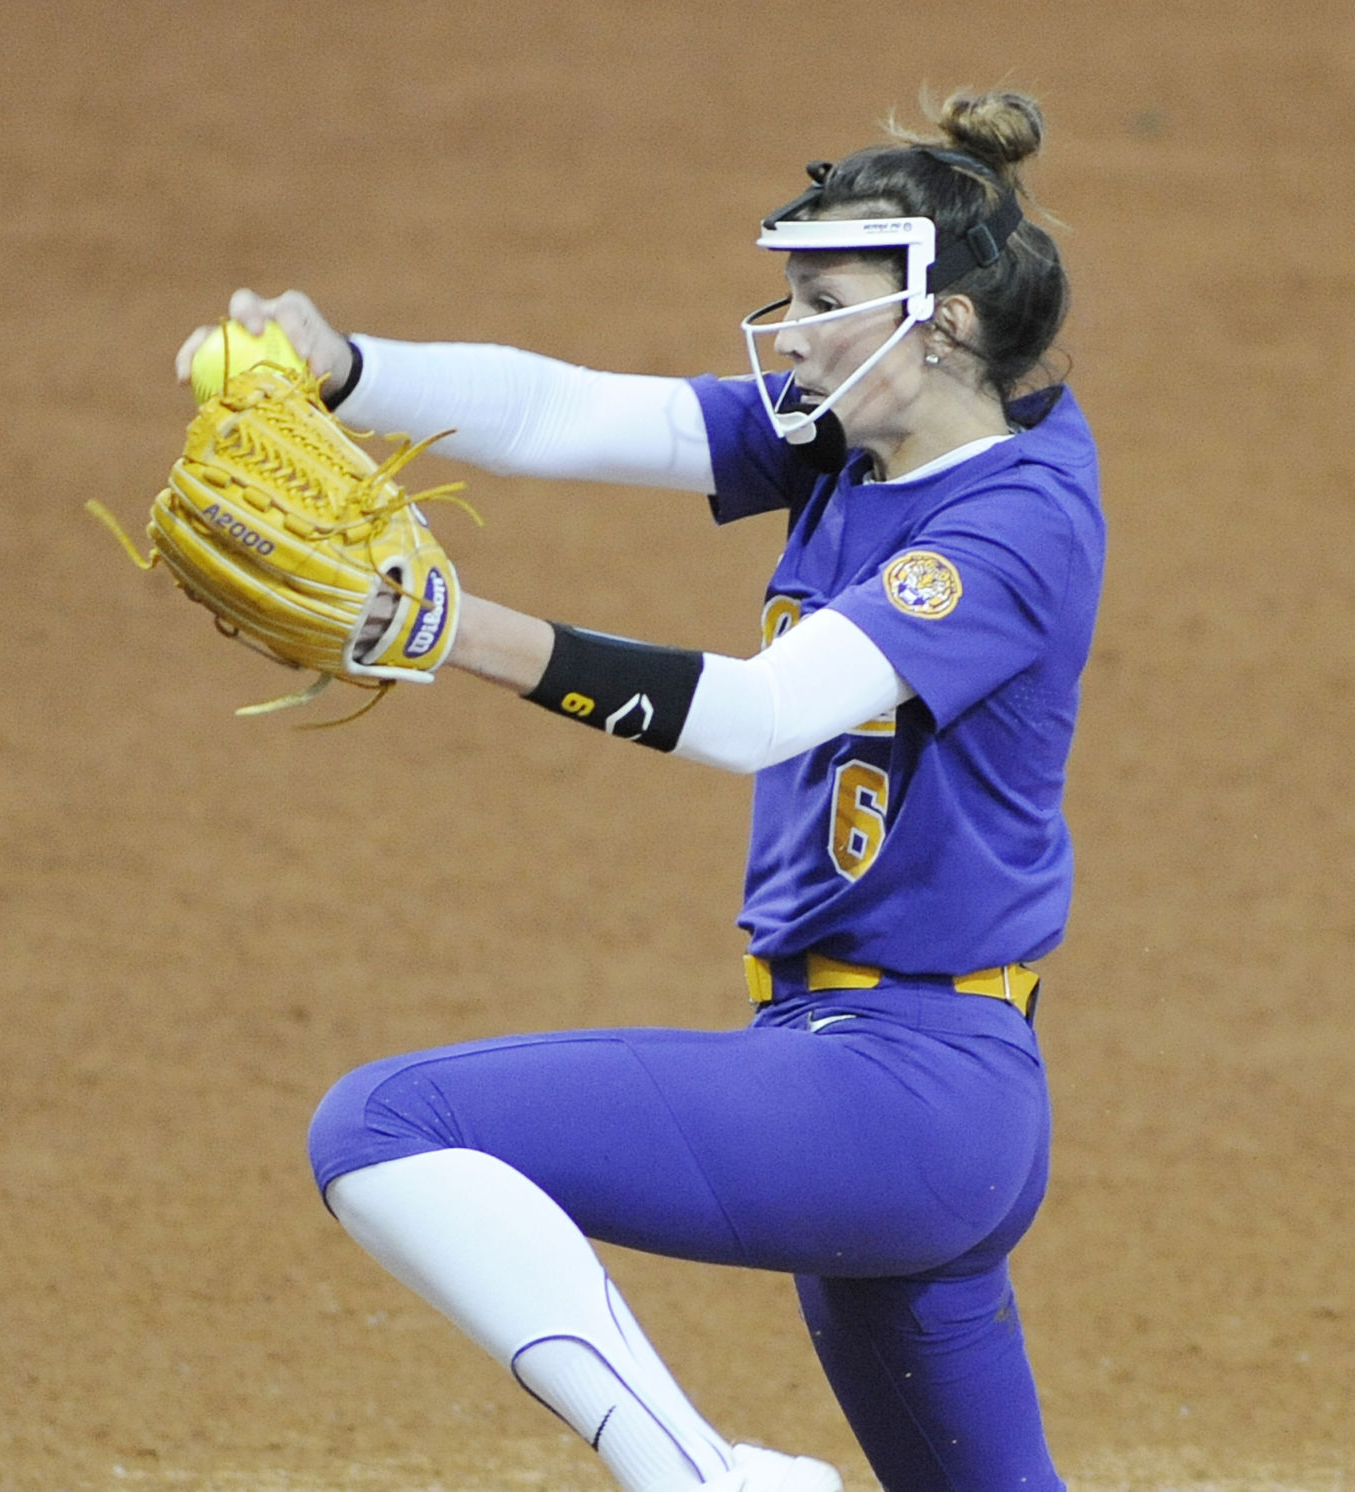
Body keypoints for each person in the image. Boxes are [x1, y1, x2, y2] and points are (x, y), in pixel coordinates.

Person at [179, 88, 1103, 1492]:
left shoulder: (1009, 523)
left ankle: (702, 1477)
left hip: (903, 1101)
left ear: (946, 321)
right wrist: (346, 368)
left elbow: (759, 715)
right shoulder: (860, 433)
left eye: (821, 300)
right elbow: (565, 413)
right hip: (904, 1099)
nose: (787, 334)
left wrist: (460, 632)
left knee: (385, 1126)